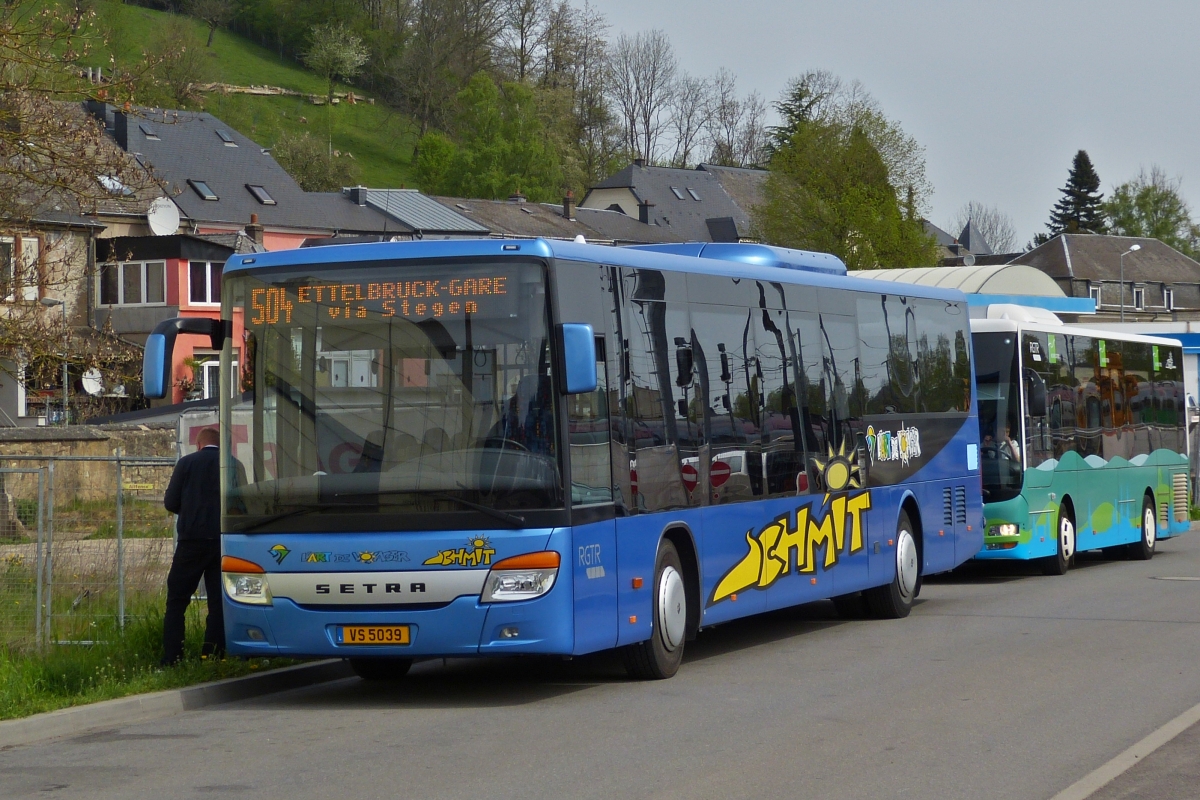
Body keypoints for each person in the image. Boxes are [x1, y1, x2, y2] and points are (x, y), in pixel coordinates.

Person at [161, 426, 224, 666]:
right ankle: (213, 655)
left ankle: (172, 657)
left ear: (198, 445)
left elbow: (170, 502)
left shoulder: (186, 463)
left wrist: (188, 512)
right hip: (222, 542)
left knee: (177, 601)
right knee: (218, 603)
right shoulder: (232, 464)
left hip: (191, 542)